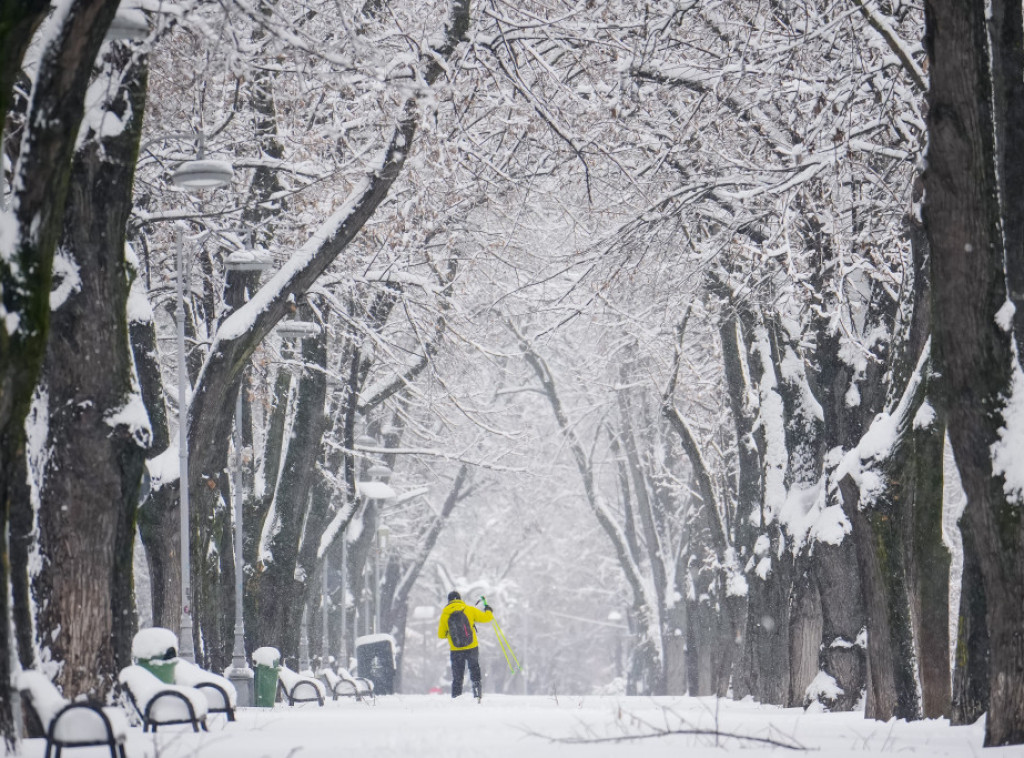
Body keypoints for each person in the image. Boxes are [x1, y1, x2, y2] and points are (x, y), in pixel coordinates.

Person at [437, 590, 494, 700]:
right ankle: (477, 694)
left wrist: (451, 633)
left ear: (448, 601)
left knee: (458, 675)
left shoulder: (445, 614)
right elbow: (487, 618)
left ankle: (456, 697)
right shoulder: (469, 609)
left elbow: (441, 635)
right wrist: (488, 610)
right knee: (474, 669)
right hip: (472, 646)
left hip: (456, 649)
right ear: (460, 599)